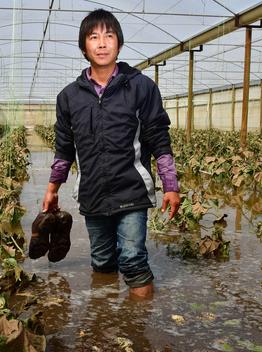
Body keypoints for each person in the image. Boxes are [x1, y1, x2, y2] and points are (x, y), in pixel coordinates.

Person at [42, 9, 180, 300]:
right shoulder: (69, 97)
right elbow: (64, 146)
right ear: (84, 47)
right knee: (103, 260)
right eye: (94, 37)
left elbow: (158, 136)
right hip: (93, 193)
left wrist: (171, 185)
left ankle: (138, 330)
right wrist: (53, 188)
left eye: (109, 36)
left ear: (119, 43)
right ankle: (106, 324)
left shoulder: (141, 87)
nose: (102, 43)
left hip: (131, 190)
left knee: (132, 260)